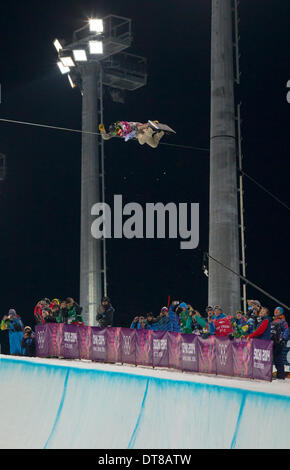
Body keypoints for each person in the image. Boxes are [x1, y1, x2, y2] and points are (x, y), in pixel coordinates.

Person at [99, 121, 165, 148]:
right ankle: (160, 133)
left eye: (118, 130)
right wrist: (102, 129)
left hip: (142, 131)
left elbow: (139, 127)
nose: (118, 132)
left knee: (141, 142)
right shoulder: (116, 131)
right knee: (154, 145)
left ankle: (151, 130)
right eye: (117, 132)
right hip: (143, 135)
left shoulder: (127, 126)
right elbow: (106, 137)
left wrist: (149, 125)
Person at [271, 307, 289, 380]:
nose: (276, 311)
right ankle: (277, 374)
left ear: (281, 312)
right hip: (271, 342)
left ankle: (281, 375)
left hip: (278, 342)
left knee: (278, 359)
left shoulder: (283, 321)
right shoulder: (273, 321)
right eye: (275, 310)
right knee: (273, 359)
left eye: (278, 310)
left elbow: (287, 330)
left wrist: (284, 339)